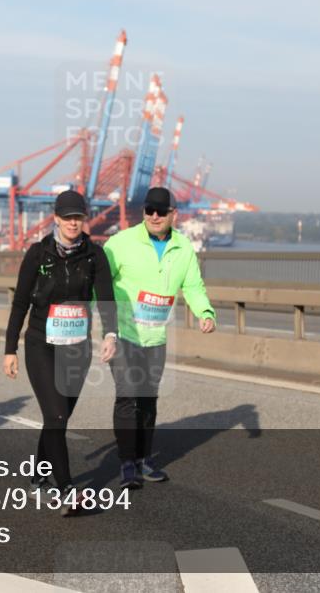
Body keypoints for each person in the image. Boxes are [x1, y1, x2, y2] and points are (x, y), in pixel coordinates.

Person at [3, 190, 118, 516]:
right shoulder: (38, 254)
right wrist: (10, 349)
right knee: (55, 416)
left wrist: (111, 334)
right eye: (67, 217)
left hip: (77, 349)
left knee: (58, 419)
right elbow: (20, 303)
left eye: (77, 217)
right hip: (41, 344)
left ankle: (38, 477)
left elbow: (107, 298)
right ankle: (67, 489)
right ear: (56, 218)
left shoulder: (94, 255)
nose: (72, 222)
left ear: (84, 219)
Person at [103, 187, 216, 489]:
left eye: (161, 211)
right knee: (127, 395)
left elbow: (192, 286)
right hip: (124, 333)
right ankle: (127, 463)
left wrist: (205, 312)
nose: (154, 216)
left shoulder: (183, 248)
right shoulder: (120, 243)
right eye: (149, 210)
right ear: (143, 212)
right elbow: (99, 283)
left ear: (173, 214)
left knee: (148, 399)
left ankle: (144, 460)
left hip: (155, 338)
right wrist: (104, 324)